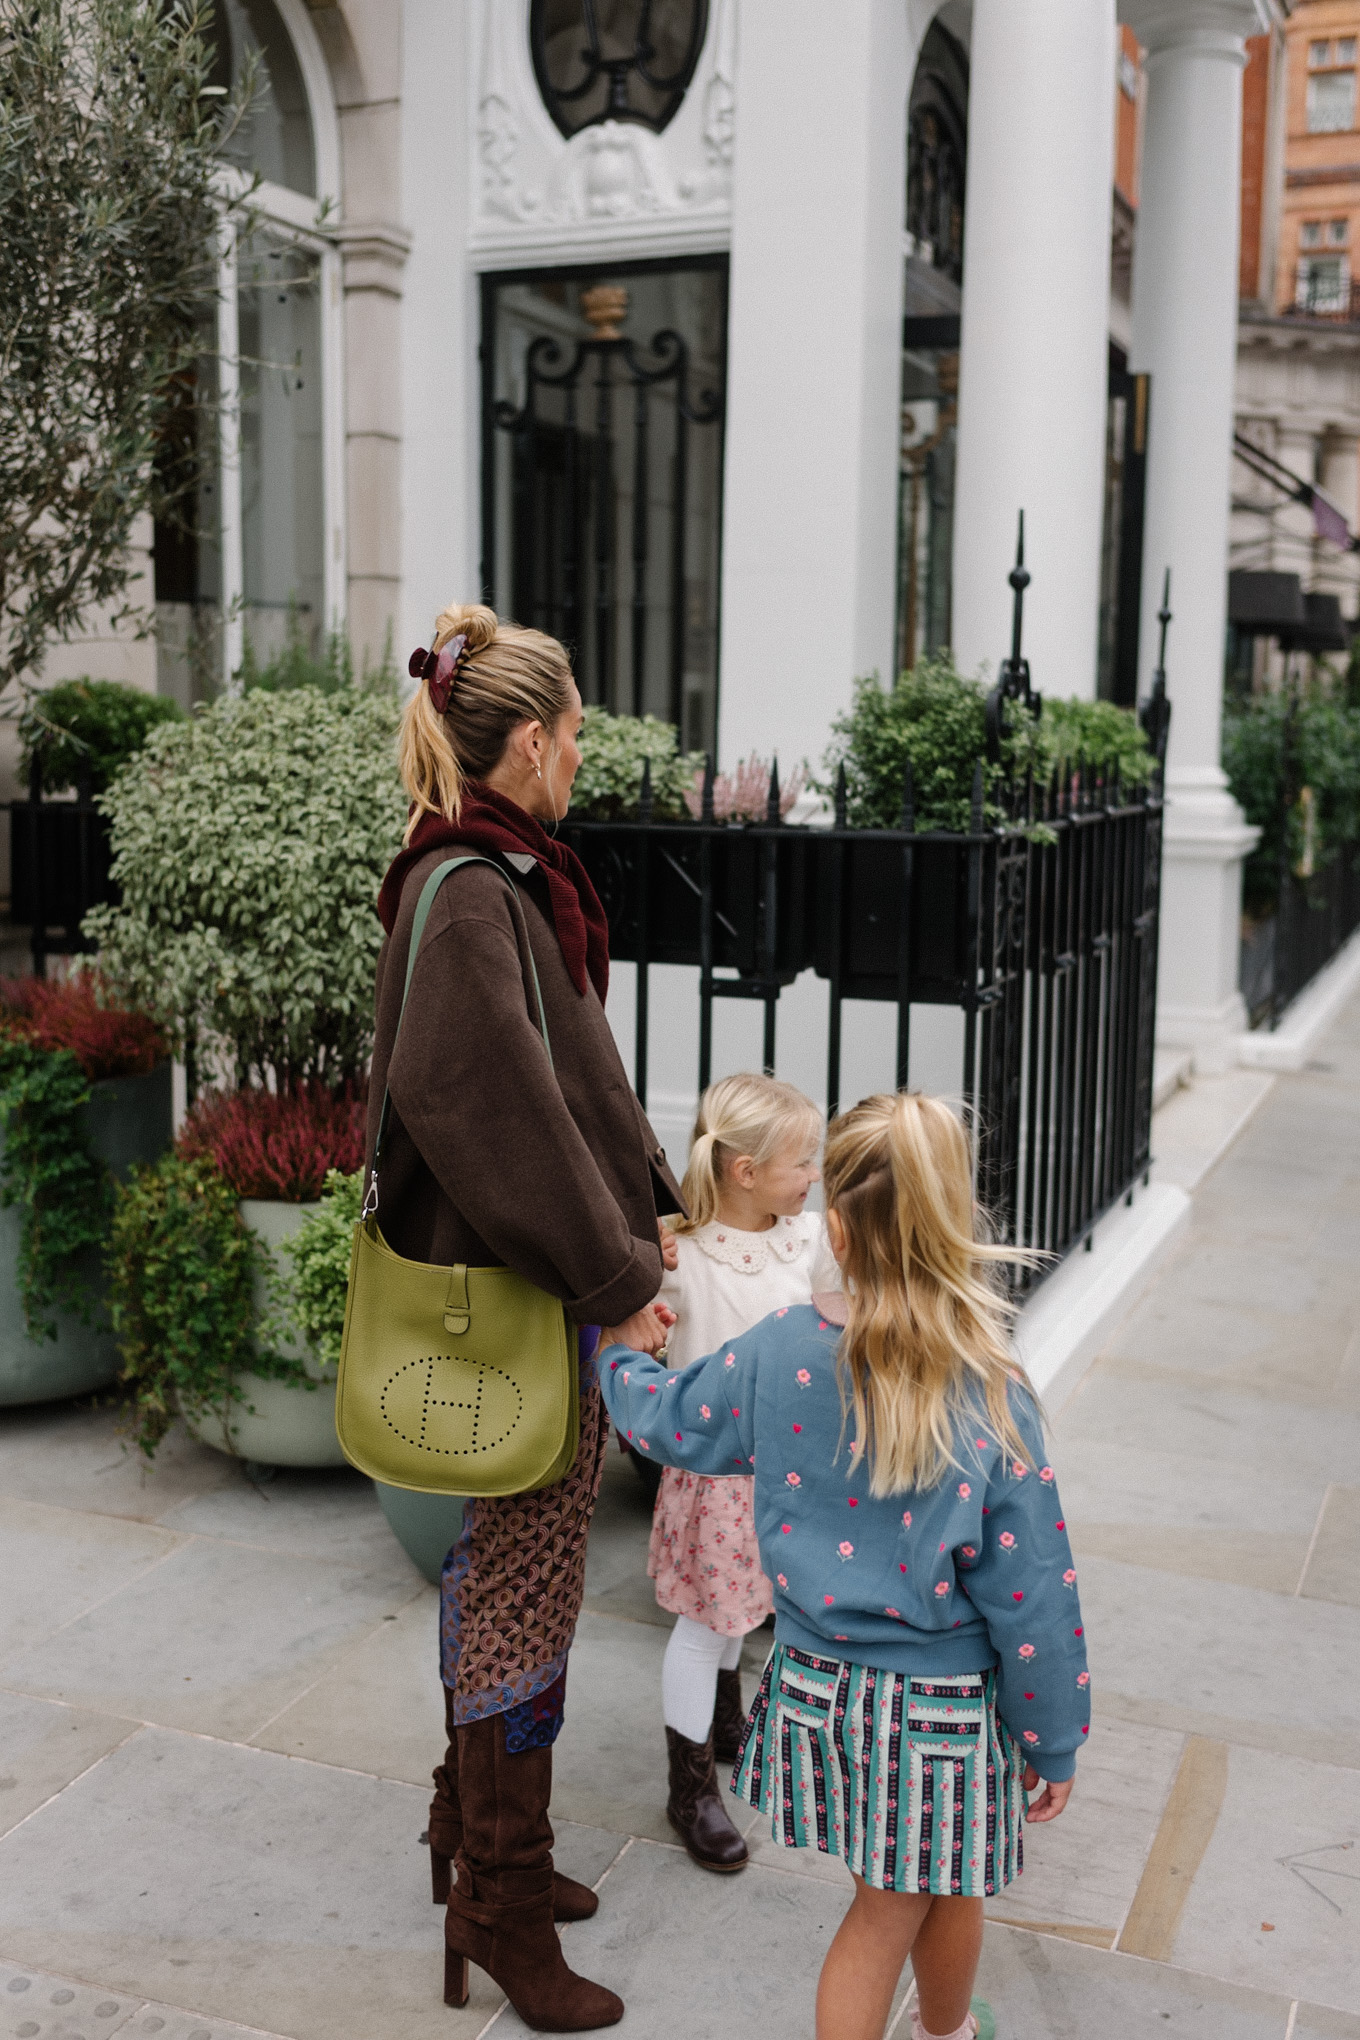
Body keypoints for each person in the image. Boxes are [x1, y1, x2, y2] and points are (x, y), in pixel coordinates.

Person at [599, 1092, 1088, 2040]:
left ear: (837, 1225)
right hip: (938, 1717)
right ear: (955, 1221)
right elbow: (1033, 1596)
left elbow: (667, 1421)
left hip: (823, 1688)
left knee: (951, 1880)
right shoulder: (988, 1390)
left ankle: (946, 2030)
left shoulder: (780, 1353)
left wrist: (622, 1354)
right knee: (887, 1915)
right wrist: (1054, 1735)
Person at [371, 603, 678, 2033]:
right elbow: (485, 1105)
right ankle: (498, 1893)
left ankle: (468, 1829)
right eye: (577, 735)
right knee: (520, 1596)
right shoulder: (479, 890)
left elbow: (573, 1085)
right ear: (539, 741)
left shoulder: (500, 875)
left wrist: (654, 1210)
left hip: (538, 1290)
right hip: (516, 1305)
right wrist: (614, 1277)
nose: (582, 758)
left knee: (517, 1581)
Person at [648, 1072, 831, 1873]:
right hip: (719, 1474)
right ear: (744, 1171)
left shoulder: (812, 1237)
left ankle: (727, 1722)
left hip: (789, 1471)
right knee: (709, 1623)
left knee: (744, 1613)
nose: (814, 1174)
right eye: (802, 1162)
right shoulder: (680, 1259)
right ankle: (689, 1788)